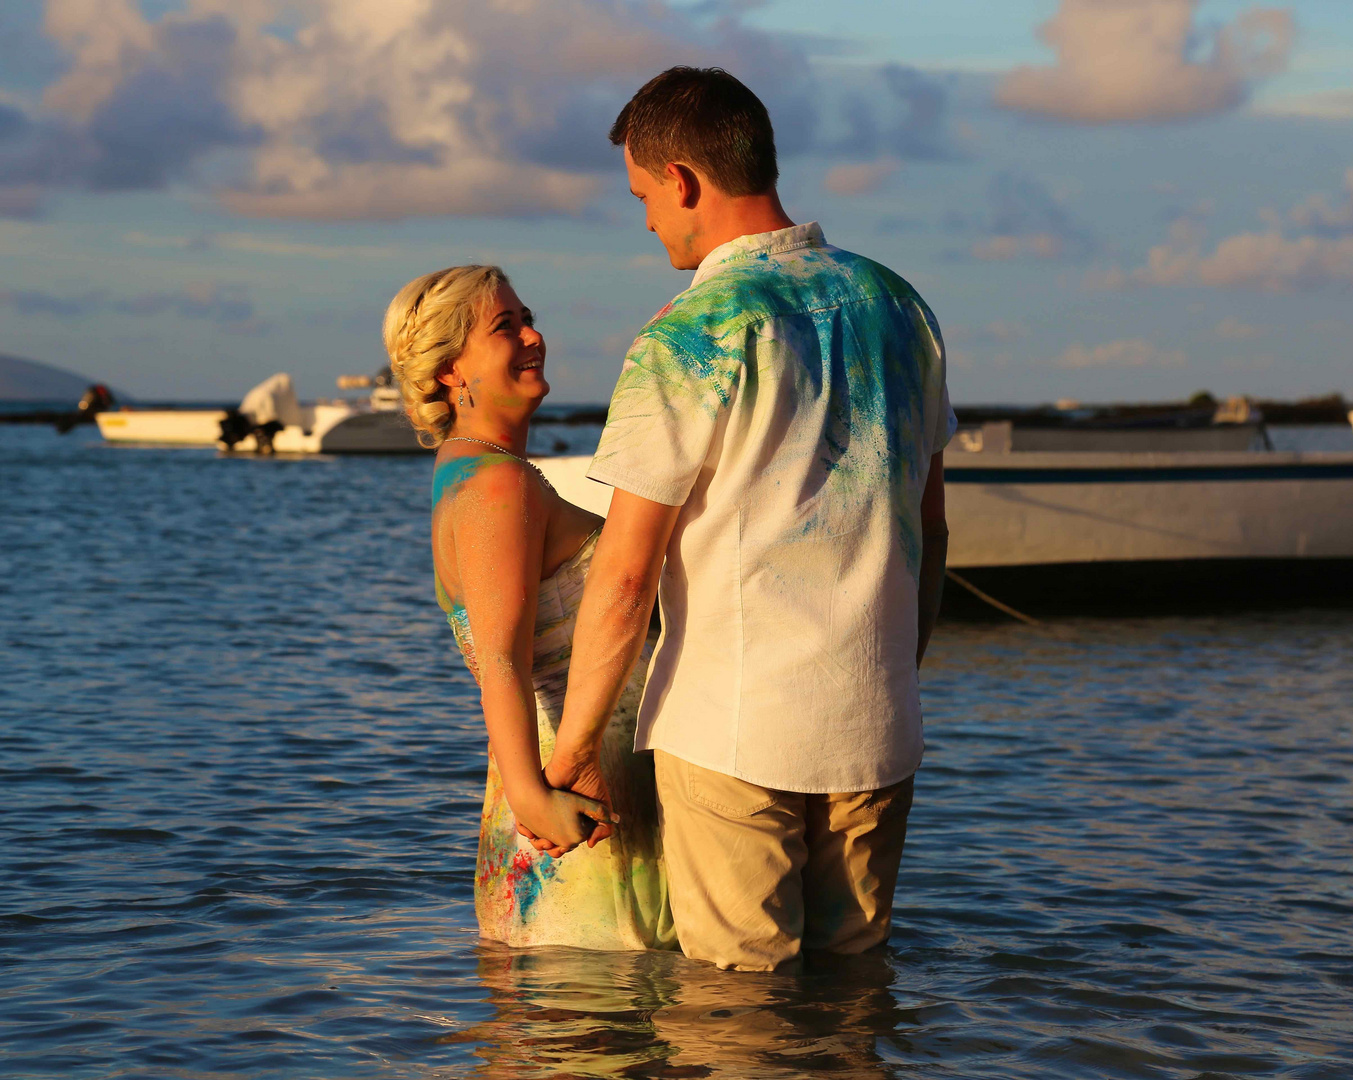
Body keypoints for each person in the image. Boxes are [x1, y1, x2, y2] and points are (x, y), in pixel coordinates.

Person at [542, 67, 955, 971]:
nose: (647, 219)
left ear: (684, 179)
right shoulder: (899, 306)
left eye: (644, 196)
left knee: (739, 1014)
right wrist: (893, 673)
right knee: (852, 1001)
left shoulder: (693, 332)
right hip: (878, 727)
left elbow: (623, 576)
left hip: (735, 734)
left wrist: (571, 750)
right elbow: (931, 534)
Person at [384, 264, 673, 951]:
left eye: (528, 317)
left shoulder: (471, 470)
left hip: (558, 799)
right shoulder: (495, 486)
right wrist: (535, 798)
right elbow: (502, 660)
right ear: (453, 369)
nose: (533, 336)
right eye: (505, 327)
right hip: (573, 812)